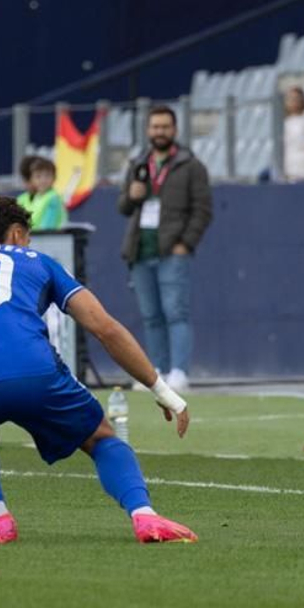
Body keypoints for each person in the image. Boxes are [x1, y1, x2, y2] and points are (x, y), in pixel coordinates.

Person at [0, 196, 196, 545]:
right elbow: (104, 328)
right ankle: (145, 517)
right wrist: (160, 389)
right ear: (17, 234)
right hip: (34, 375)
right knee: (100, 436)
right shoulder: (37, 261)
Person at [117, 106, 212, 394]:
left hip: (172, 250)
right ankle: (155, 371)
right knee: (151, 315)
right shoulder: (138, 163)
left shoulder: (190, 165)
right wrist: (132, 196)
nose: (159, 132)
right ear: (148, 131)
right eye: (155, 127)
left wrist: (186, 244)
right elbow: (122, 207)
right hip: (140, 249)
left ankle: (179, 371)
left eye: (164, 127)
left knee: (176, 312)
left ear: (175, 130)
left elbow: (203, 210)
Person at [16, 156, 66, 231]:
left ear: (54, 178)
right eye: (38, 176)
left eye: (47, 175)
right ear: (31, 179)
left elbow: (47, 228)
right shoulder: (36, 197)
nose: (43, 180)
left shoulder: (53, 198)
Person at [281, 85, 304, 182]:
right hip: (286, 162)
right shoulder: (283, 122)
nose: (294, 101)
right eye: (290, 98)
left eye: (297, 98)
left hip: (303, 161)